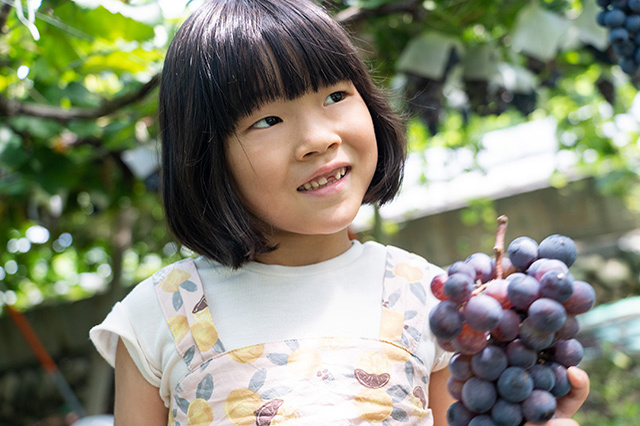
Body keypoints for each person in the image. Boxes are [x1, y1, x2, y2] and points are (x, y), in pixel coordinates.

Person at [90, 0, 589, 424]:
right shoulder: (159, 314)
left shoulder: (430, 298)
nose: (318, 138)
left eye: (335, 95)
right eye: (267, 119)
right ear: (204, 156)